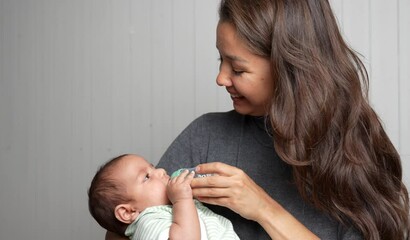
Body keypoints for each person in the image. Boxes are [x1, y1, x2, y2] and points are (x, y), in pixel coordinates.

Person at [107, 0, 410, 239]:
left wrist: (263, 208)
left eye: (237, 69)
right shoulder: (205, 136)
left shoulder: (356, 157)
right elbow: (127, 226)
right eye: (220, 60)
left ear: (290, 69)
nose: (221, 78)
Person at [88, 154, 239, 239]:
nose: (160, 171)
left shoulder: (171, 209)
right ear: (128, 212)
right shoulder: (149, 222)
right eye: (147, 177)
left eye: (153, 166)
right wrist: (182, 200)